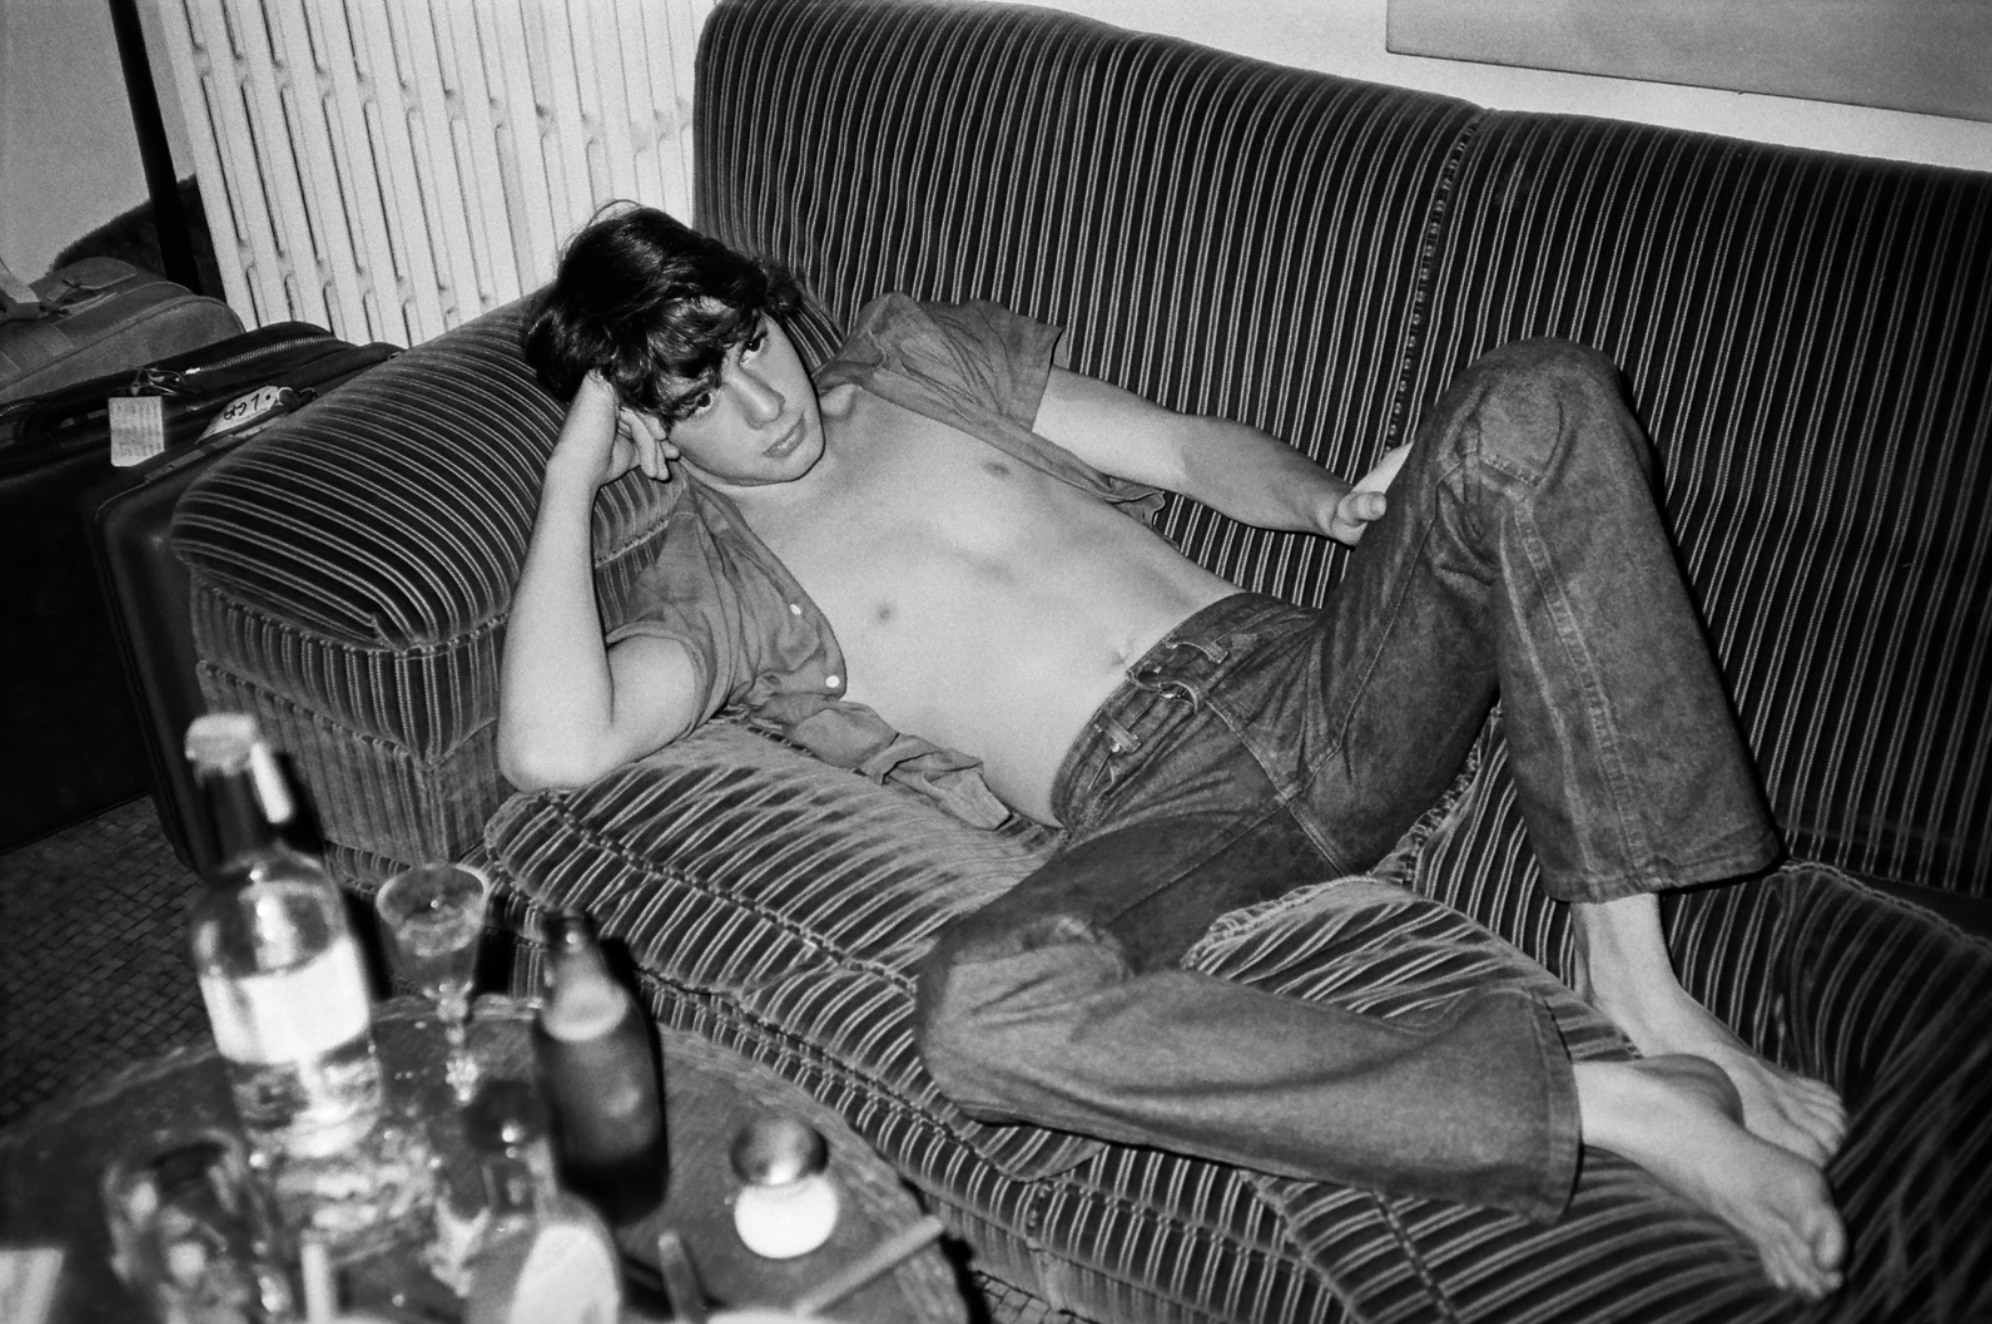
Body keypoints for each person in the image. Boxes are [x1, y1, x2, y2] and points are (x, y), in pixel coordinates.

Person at [498, 205, 1849, 1298]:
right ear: (650, 441)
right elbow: (554, 748)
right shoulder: (710, 583)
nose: (762, 397)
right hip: (1155, 815)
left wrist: (1322, 503)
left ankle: (1645, 981)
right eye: (697, 394)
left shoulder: (915, 361)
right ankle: (1609, 1107)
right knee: (980, 1013)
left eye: (746, 342)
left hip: (1320, 681)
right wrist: (571, 471)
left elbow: (1192, 450)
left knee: (1536, 394)